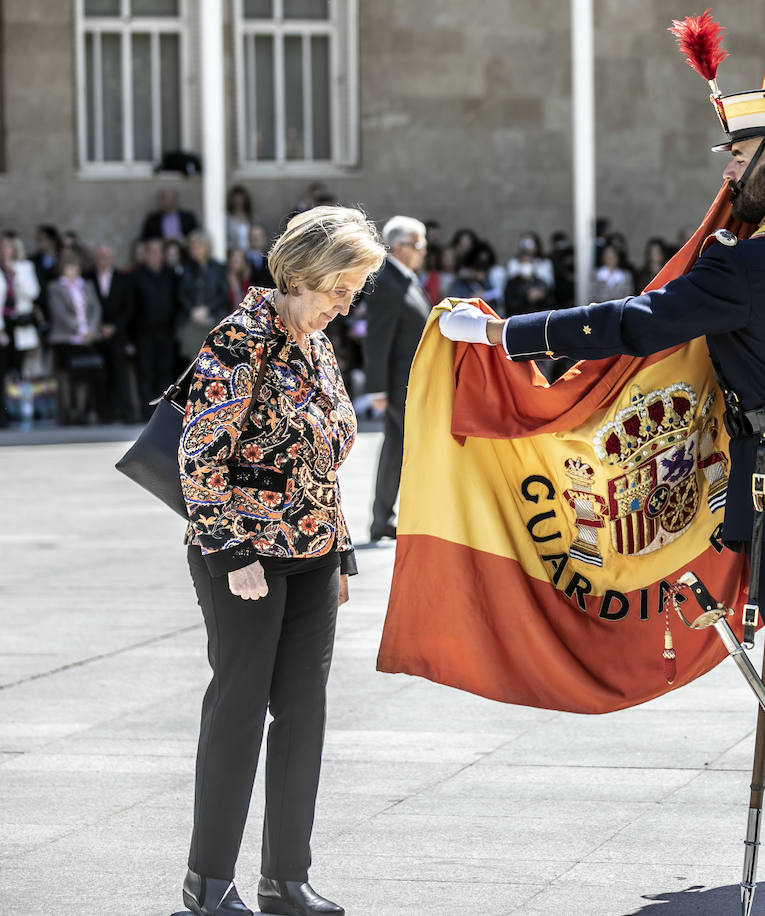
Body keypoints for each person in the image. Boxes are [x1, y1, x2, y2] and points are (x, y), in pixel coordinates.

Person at [439, 85, 765, 916]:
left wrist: (508, 335)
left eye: (739, 159)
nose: (729, 175)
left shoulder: (753, 260)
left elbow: (634, 322)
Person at [176, 205, 384, 916]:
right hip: (243, 558)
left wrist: (341, 554)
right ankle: (208, 884)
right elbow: (199, 458)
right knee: (237, 710)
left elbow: (322, 457)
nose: (345, 305)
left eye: (355, 293)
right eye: (339, 290)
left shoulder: (318, 345)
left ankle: (285, 880)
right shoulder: (238, 343)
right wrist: (233, 552)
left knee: (304, 715)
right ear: (304, 275)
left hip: (312, 554)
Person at [362, 215, 429, 542]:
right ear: (399, 247)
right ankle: (397, 517)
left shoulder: (405, 279)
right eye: (417, 246)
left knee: (396, 451)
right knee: (409, 450)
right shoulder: (387, 281)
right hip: (400, 384)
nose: (422, 252)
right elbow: (377, 337)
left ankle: (382, 519)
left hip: (412, 383)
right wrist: (376, 388)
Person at [0, 231, 42, 427]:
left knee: (19, 372)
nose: (4, 250)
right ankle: (2, 414)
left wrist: (15, 273)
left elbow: (33, 292)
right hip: (2, 325)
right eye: (1, 246)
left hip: (21, 326)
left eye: (7, 246)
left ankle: (20, 411)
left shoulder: (25, 267)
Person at [47, 249, 103, 425]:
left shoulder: (87, 285)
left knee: (83, 375)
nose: (72, 271)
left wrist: (90, 330)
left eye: (75, 267)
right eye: (68, 267)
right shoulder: (55, 287)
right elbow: (59, 313)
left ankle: (81, 411)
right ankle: (67, 412)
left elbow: (96, 309)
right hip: (65, 338)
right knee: (65, 377)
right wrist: (79, 328)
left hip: (86, 338)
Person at [87, 244, 137, 423]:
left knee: (120, 374)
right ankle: (104, 414)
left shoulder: (122, 278)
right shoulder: (88, 277)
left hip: (117, 333)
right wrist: (98, 326)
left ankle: (126, 412)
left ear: (112, 258)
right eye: (100, 256)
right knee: (100, 375)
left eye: (106, 256)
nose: (103, 260)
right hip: (96, 333)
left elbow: (129, 307)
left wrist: (114, 327)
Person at [130, 238, 180, 414]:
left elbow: (176, 302)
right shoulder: (137, 275)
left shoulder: (170, 274)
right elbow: (132, 305)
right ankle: (146, 412)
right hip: (144, 332)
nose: (154, 255)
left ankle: (162, 413)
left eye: (158, 252)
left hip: (166, 331)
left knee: (165, 373)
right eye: (150, 251)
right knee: (145, 372)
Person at [178, 230, 229, 360]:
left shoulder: (218, 268)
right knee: (194, 364)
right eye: (192, 246)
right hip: (192, 321)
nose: (194, 249)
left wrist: (207, 309)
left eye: (198, 245)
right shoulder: (186, 268)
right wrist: (192, 311)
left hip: (214, 319)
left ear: (207, 247)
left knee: (214, 360)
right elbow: (181, 293)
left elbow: (223, 294)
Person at [227, 185, 255, 255]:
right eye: (236, 198)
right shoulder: (228, 219)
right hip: (234, 254)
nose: (238, 201)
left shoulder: (249, 218)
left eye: (241, 198)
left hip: (250, 253)